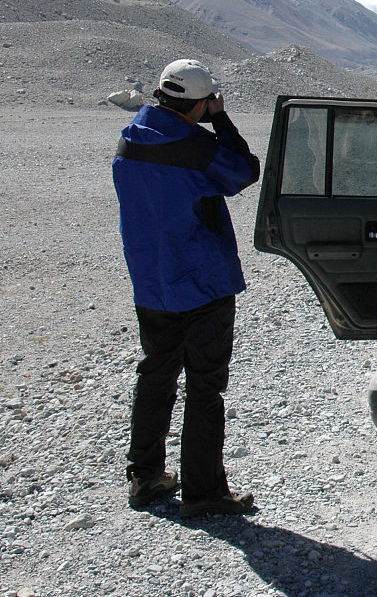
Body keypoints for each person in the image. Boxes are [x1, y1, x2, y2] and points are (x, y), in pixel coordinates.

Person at [113, 59, 261, 515]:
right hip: (201, 282)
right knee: (205, 385)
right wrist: (220, 118)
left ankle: (146, 476)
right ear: (198, 103)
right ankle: (204, 492)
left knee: (155, 374)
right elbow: (244, 170)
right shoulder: (195, 146)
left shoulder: (130, 137)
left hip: (152, 282)